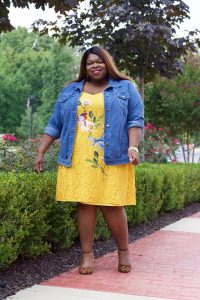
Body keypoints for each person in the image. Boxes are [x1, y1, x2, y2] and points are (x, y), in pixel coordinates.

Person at [34, 46, 144, 275]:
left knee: (113, 204)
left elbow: (135, 120)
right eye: (89, 62)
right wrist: (41, 152)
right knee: (84, 203)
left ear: (107, 63)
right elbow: (55, 123)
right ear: (84, 67)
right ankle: (86, 255)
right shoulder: (71, 91)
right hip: (79, 155)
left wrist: (133, 146)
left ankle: (123, 251)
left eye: (99, 61)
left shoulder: (125, 88)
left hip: (113, 155)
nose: (94, 65)